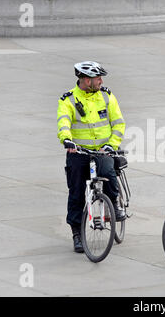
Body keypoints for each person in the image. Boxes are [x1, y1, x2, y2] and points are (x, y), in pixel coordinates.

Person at [57, 61, 126, 253]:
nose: (101, 81)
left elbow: (119, 123)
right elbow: (63, 122)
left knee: (108, 173)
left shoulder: (107, 96)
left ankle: (114, 206)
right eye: (98, 78)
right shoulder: (68, 100)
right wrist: (67, 140)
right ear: (86, 80)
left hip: (103, 150)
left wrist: (111, 145)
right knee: (76, 194)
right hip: (79, 152)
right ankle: (77, 235)